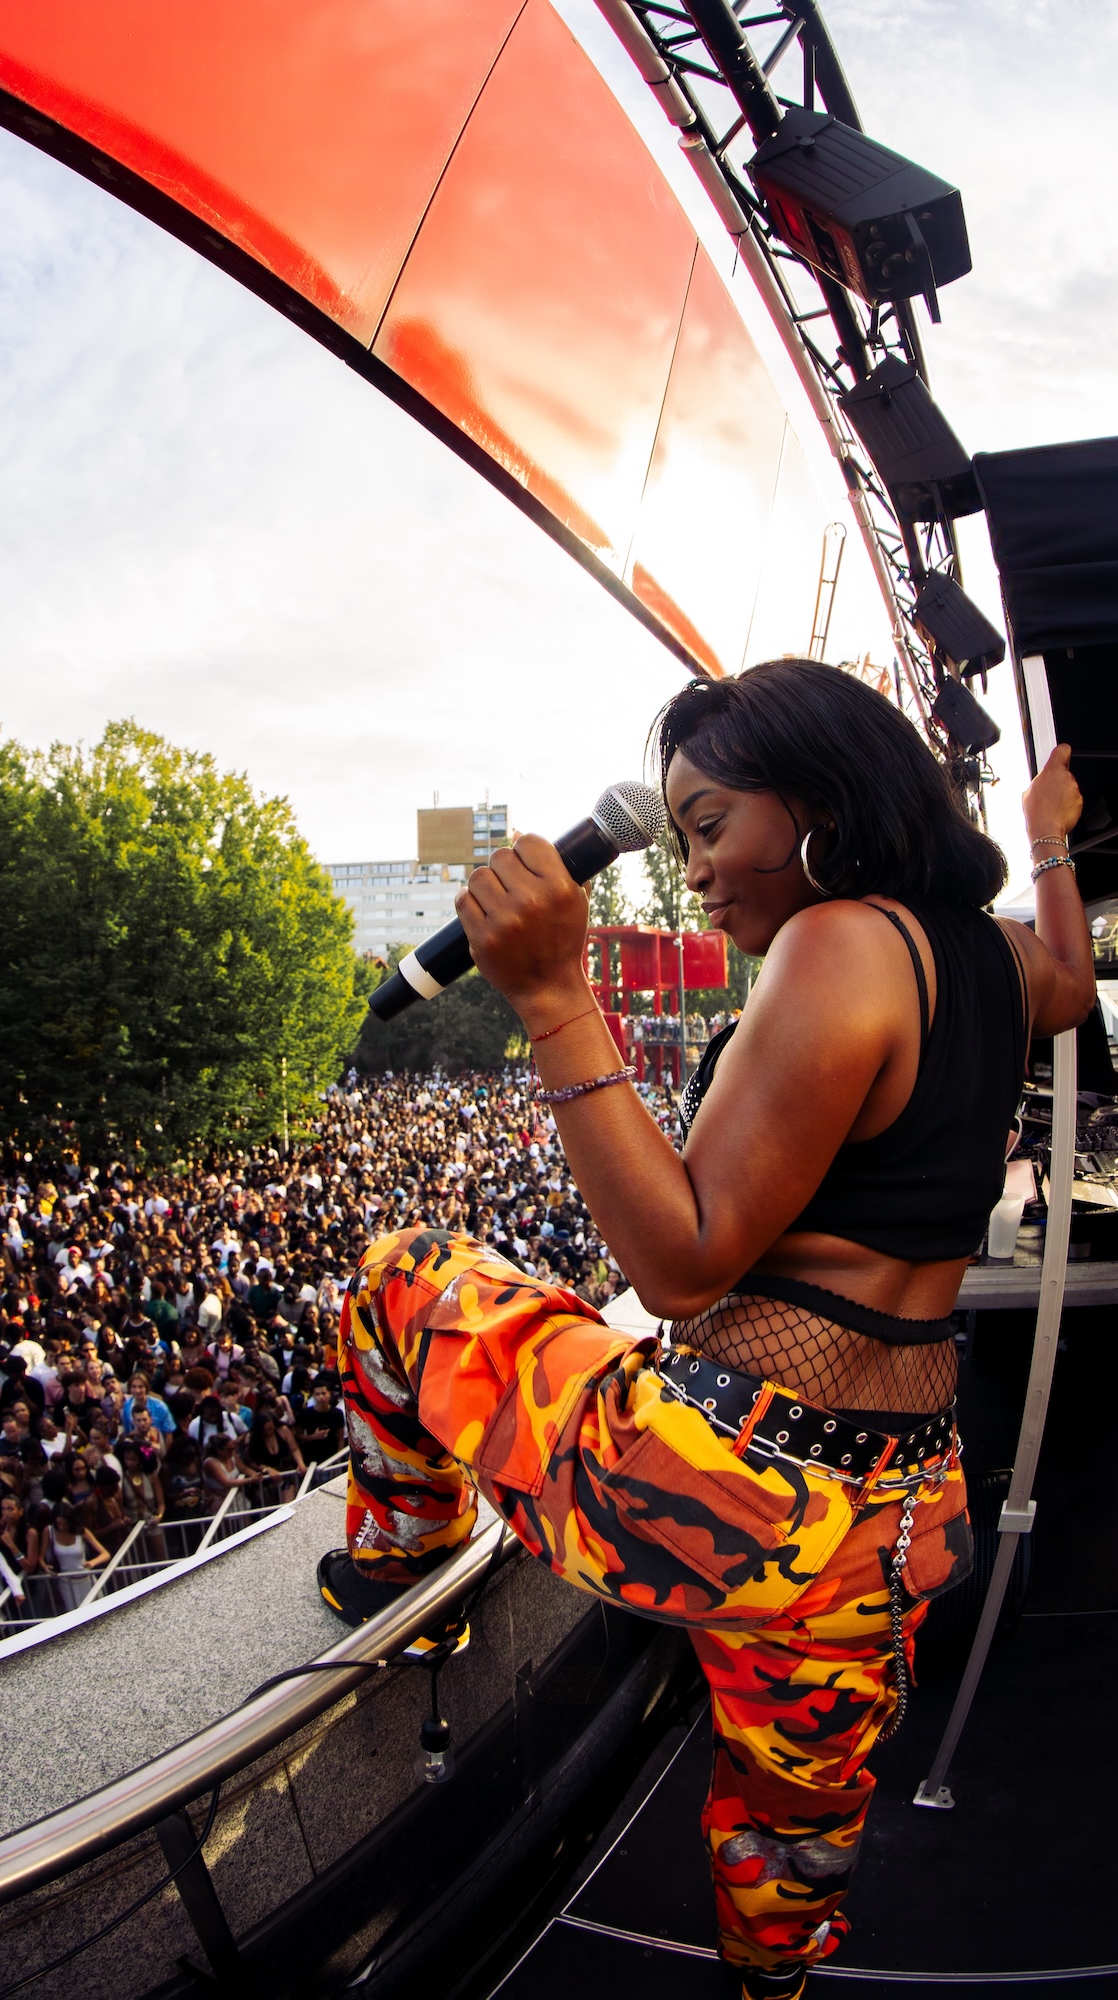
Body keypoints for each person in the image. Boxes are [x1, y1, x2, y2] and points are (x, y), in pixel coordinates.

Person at [319, 661, 1096, 2000]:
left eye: (709, 824)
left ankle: (405, 1565)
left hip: (713, 1483)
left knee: (404, 1274)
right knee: (789, 1841)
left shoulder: (839, 941)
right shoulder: (998, 958)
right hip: (890, 1516)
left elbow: (680, 1264)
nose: (692, 872)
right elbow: (1077, 978)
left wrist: (555, 997)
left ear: (821, 804)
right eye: (678, 835)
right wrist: (1046, 843)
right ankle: (767, 1986)